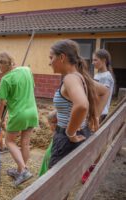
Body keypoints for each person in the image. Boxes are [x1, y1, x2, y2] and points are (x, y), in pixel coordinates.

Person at [48, 40, 109, 169]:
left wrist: (70, 133)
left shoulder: (70, 78)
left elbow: (82, 105)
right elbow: (105, 91)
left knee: (55, 184)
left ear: (62, 57)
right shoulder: (81, 77)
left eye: (51, 58)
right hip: (82, 132)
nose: (49, 62)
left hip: (67, 139)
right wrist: (95, 116)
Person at [0, 52, 39, 186]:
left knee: (9, 141)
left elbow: (2, 102)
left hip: (19, 114)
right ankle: (20, 170)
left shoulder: (6, 79)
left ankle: (24, 171)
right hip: (32, 111)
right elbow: (32, 87)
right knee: (25, 143)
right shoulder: (27, 70)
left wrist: (0, 117)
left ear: (4, 65)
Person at [81, 49, 115, 184]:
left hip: (99, 113)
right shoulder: (99, 74)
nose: (93, 62)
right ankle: (90, 167)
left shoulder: (106, 76)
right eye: (93, 60)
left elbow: (101, 96)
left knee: (94, 141)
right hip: (94, 112)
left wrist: (95, 114)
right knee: (91, 139)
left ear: (104, 61)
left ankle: (91, 170)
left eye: (96, 60)